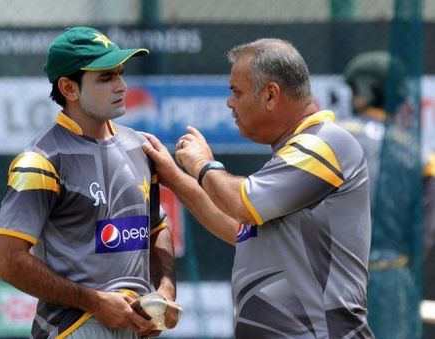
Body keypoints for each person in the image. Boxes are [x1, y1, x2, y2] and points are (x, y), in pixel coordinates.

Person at [142, 38, 373, 338]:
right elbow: (239, 228)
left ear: (270, 95)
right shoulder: (294, 153)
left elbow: (243, 202)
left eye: (236, 92)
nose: (229, 103)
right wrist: (174, 176)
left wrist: (203, 164)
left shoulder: (325, 142)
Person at [0, 26, 177, 339]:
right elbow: (7, 263)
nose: (122, 86)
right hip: (71, 329)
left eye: (121, 73)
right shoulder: (41, 160)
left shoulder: (140, 146)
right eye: (106, 77)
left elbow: (157, 229)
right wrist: (94, 301)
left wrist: (165, 292)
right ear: (69, 88)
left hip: (135, 329)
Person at [340, 51, 422, 339]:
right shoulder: (413, 150)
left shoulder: (328, 139)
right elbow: (426, 226)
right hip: (392, 273)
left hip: (336, 273)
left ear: (362, 90)